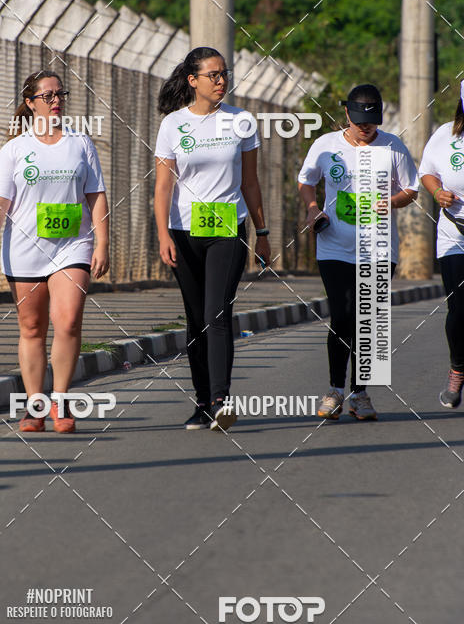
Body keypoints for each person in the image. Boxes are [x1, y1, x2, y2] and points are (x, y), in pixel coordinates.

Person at [0, 70, 109, 434]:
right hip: (25, 248)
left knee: (68, 320)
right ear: (30, 103)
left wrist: (102, 242)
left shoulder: (81, 143)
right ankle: (35, 405)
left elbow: (96, 195)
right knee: (32, 327)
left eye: (60, 94)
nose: (56, 101)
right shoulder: (15, 150)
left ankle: (60, 401)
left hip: (72, 246)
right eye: (47, 96)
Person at [154, 46, 271, 432]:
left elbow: (250, 182)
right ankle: (202, 402)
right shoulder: (173, 124)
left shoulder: (241, 122)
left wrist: (262, 232)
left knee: (216, 314)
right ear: (193, 80)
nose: (221, 81)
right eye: (213, 75)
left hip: (227, 229)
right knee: (195, 319)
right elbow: (163, 186)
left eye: (224, 74)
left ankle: (222, 401)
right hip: (183, 231)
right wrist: (162, 234)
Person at [298, 83, 418, 420]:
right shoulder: (326, 145)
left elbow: (411, 189)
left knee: (370, 321)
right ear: (346, 114)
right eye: (360, 120)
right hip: (334, 246)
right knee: (342, 316)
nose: (366, 127)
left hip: (379, 248)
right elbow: (306, 180)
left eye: (372, 121)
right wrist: (312, 208)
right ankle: (335, 390)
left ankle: (360, 393)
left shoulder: (393, 146)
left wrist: (392, 201)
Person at [420, 82, 464, 408]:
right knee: (459, 310)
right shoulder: (445, 135)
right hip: (455, 234)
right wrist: (437, 192)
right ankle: (458, 369)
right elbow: (428, 172)